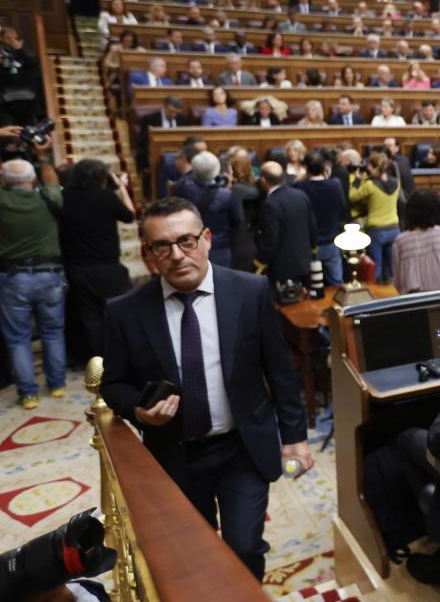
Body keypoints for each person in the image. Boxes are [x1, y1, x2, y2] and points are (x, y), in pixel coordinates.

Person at [100, 197, 313, 580]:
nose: (178, 255)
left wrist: (295, 436)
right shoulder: (125, 311)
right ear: (148, 254)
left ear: (207, 238)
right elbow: (113, 384)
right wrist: (137, 410)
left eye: (187, 240)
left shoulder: (251, 291)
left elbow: (279, 370)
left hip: (242, 448)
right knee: (192, 551)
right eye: (163, 246)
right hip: (174, 455)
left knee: (244, 546)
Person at [0, 151, 67, 408]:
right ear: (33, 178)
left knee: (17, 338)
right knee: (53, 332)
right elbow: (51, 182)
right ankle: (57, 385)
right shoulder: (48, 198)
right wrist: (44, 156)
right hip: (50, 275)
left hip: (13, 277)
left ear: (3, 180)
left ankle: (28, 394)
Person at [60, 159, 135, 362]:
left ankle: (100, 360)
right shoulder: (106, 196)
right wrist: (121, 187)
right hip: (108, 266)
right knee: (120, 311)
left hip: (78, 268)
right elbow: (130, 215)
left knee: (90, 318)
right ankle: (122, 356)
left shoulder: (65, 196)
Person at [173, 151, 244, 269]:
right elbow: (237, 221)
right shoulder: (227, 195)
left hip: (189, 245)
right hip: (219, 248)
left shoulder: (182, 188)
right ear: (217, 171)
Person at [254, 161, 317, 286]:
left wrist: (259, 262)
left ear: (263, 180)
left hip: (283, 268)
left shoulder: (271, 203)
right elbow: (312, 227)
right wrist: (313, 252)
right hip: (304, 262)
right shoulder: (301, 195)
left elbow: (271, 239)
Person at [294, 152, 348, 287]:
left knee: (312, 286)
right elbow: (342, 208)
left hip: (310, 244)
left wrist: (298, 178)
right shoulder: (335, 184)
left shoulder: (300, 187)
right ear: (324, 168)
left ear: (306, 169)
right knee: (336, 283)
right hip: (332, 240)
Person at [348, 152, 401, 285]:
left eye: (369, 166)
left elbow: (352, 197)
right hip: (394, 229)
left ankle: (375, 300)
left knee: (374, 269)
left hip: (377, 231)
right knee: (391, 271)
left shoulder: (371, 185)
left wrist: (357, 180)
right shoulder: (396, 183)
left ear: (374, 167)